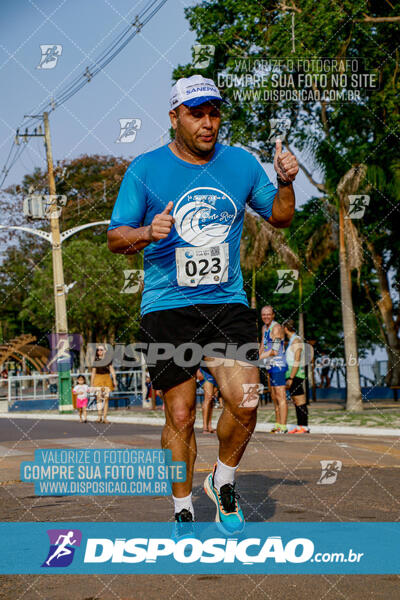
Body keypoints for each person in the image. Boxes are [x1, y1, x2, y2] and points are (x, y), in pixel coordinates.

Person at [107, 74, 298, 532]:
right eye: (196, 114)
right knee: (180, 413)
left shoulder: (241, 164)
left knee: (247, 401)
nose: (208, 123)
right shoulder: (145, 169)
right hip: (166, 307)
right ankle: (182, 506)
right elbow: (116, 237)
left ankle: (223, 480)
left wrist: (286, 181)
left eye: (214, 113)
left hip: (226, 302)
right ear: (175, 117)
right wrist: (145, 233)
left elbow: (281, 216)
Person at [259, 306, 288, 433]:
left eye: (268, 314)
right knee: (274, 396)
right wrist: (258, 356)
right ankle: (277, 424)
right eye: (263, 315)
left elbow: (275, 351)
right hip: (269, 365)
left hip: (278, 365)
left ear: (273, 315)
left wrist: (259, 357)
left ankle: (283, 426)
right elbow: (262, 345)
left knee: (280, 396)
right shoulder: (264, 328)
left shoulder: (276, 328)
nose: (266, 317)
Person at [283, 319, 310, 434]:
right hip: (292, 374)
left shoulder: (296, 341)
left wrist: (291, 378)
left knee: (300, 401)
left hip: (296, 375)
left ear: (285, 329)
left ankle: (304, 427)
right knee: (296, 401)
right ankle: (300, 426)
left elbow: (297, 360)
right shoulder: (292, 341)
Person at [90, 345, 117, 424]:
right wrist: (92, 384)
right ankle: (99, 416)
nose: (99, 351)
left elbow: (112, 370)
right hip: (98, 379)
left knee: (106, 398)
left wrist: (114, 380)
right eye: (98, 350)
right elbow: (93, 372)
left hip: (106, 379)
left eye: (101, 350)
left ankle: (105, 417)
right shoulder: (95, 360)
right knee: (99, 398)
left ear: (105, 351)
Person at [197, 367, 218, 433]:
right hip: (206, 372)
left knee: (211, 400)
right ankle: (205, 427)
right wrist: (197, 370)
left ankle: (209, 426)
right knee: (208, 399)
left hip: (216, 373)